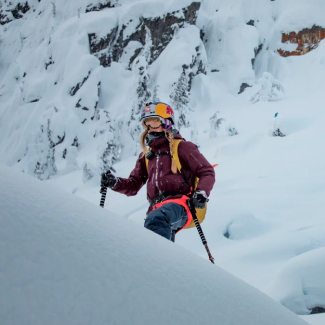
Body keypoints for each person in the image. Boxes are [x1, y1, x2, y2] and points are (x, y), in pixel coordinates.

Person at [101, 102, 215, 242]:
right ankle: (163, 262)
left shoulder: (182, 147)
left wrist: (202, 192)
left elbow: (207, 171)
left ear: (166, 122)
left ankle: (155, 262)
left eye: (155, 121)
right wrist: (114, 183)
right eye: (147, 123)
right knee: (154, 228)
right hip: (156, 208)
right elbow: (133, 185)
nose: (150, 127)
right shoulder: (147, 156)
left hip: (182, 204)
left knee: (156, 220)